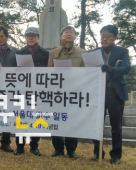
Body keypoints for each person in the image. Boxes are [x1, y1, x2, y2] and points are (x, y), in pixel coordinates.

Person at [91, 25, 131, 164]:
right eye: (102, 36)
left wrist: (112, 69)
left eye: (108, 36)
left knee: (116, 126)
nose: (105, 39)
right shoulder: (95, 51)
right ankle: (97, 152)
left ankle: (115, 155)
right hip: (98, 93)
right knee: (96, 124)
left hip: (115, 93)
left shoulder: (122, 51)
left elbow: (127, 67)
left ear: (115, 37)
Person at [48, 26, 86, 159]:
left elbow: (86, 73)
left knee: (72, 120)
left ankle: (71, 149)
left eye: (72, 33)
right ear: (61, 37)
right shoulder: (53, 53)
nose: (69, 34)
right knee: (56, 119)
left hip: (74, 92)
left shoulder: (83, 53)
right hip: (57, 93)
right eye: (66, 32)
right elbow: (49, 72)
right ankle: (57, 148)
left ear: (75, 37)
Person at [13, 27, 49, 156]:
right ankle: (20, 146)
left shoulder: (45, 54)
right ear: (25, 38)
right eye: (28, 36)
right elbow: (14, 72)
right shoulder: (19, 53)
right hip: (22, 91)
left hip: (38, 91)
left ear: (38, 37)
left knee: (36, 118)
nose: (31, 38)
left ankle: (34, 146)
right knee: (20, 119)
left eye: (33, 36)